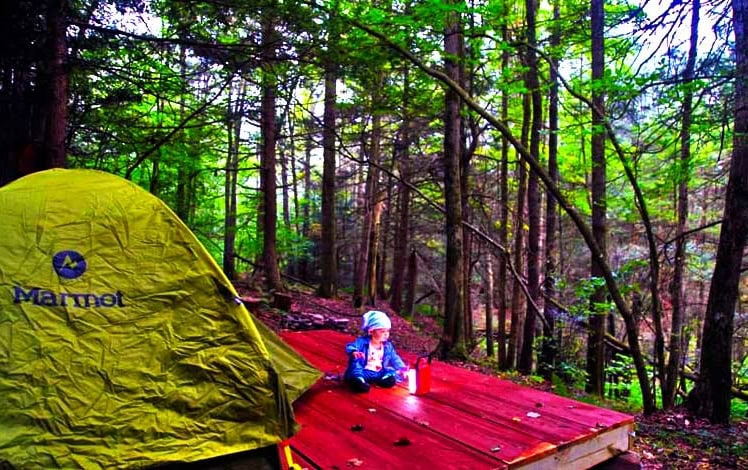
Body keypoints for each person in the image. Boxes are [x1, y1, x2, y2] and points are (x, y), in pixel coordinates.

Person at [344, 310, 407, 393]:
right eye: (382, 331)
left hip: (378, 371)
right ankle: (358, 381)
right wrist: (354, 352)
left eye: (388, 331)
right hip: (364, 371)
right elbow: (350, 346)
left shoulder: (387, 346)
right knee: (356, 368)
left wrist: (402, 367)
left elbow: (394, 357)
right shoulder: (362, 342)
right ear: (371, 331)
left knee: (390, 371)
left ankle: (384, 380)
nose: (386, 334)